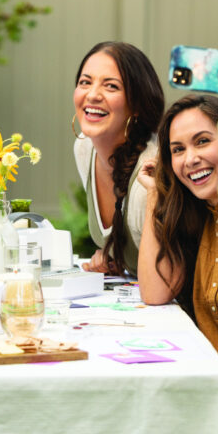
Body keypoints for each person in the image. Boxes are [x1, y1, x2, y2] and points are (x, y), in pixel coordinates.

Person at [136, 95, 218, 386]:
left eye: (203, 141)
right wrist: (155, 195)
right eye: (178, 150)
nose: (190, 159)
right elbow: (155, 293)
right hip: (217, 386)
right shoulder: (203, 216)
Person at [73, 41, 164, 275]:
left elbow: (165, 275)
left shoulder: (150, 171)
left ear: (137, 104)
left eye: (111, 86)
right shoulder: (84, 148)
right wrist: (111, 258)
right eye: (85, 82)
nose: (92, 95)